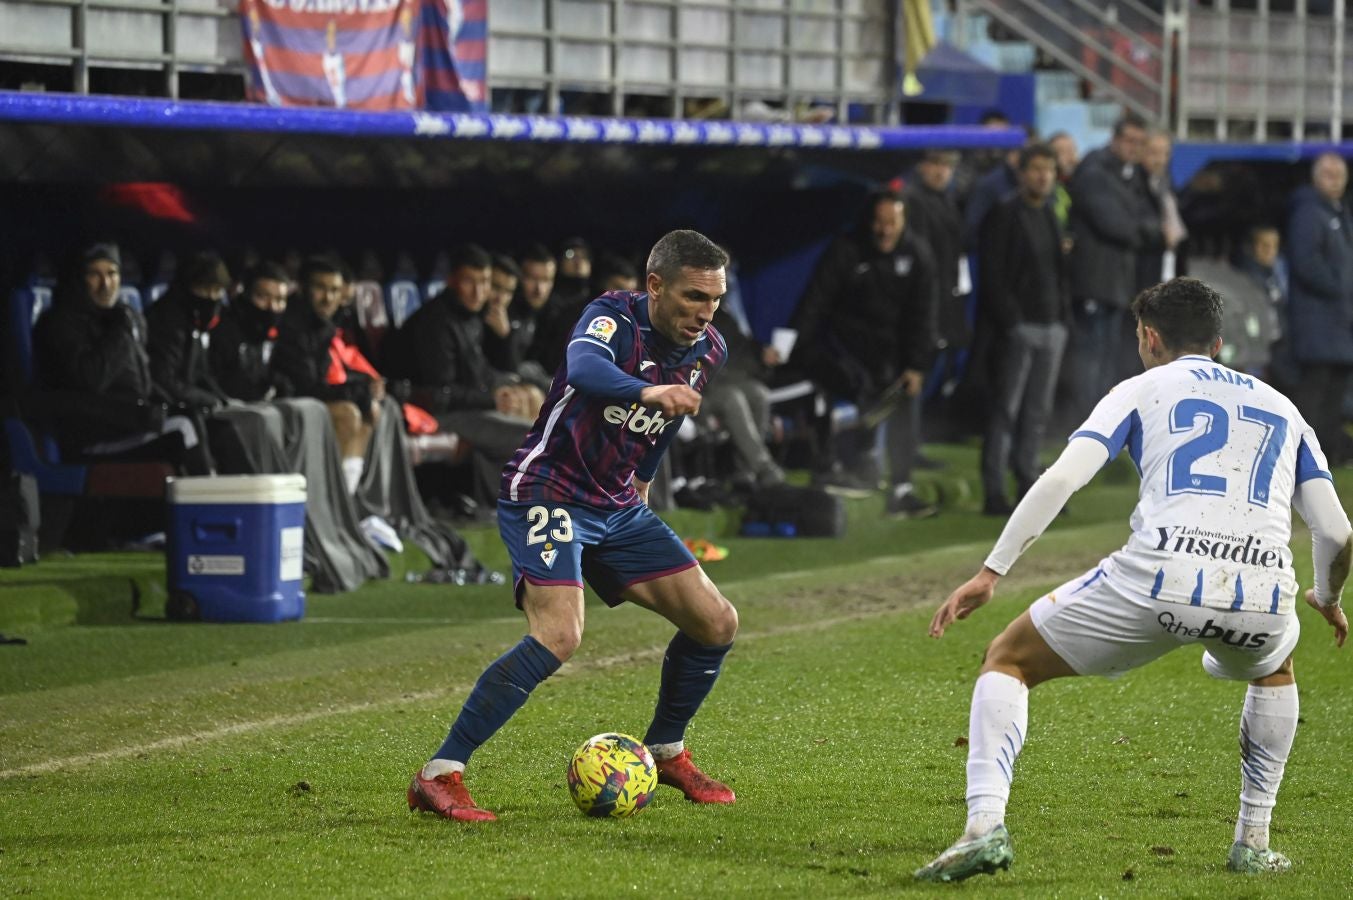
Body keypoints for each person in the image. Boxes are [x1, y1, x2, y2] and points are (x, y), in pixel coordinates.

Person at [916, 277, 1351, 882]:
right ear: (1218, 344)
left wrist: (992, 571)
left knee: (1008, 658)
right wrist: (1326, 598)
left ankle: (983, 827)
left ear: (1148, 337)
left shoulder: (1140, 389)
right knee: (1275, 668)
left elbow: (1062, 479)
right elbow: (1336, 532)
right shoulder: (1286, 409)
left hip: (1159, 575)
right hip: (1262, 590)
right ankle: (1253, 842)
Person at [407, 230, 739, 821]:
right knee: (559, 634)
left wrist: (643, 479)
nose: (705, 312)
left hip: (618, 504)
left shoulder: (708, 349)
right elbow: (585, 370)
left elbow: (665, 423)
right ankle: (439, 774)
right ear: (655, 285)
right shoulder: (612, 317)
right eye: (693, 296)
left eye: (714, 299)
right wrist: (649, 391)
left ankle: (666, 750)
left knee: (716, 622)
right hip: (548, 490)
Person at [790, 188, 940, 516]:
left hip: (894, 354)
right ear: (869, 221)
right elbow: (816, 300)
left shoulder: (917, 255)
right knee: (851, 393)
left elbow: (923, 315)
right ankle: (845, 470)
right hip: (847, 349)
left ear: (904, 222)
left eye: (892, 223)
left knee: (903, 406)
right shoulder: (846, 250)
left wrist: (917, 364)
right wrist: (794, 344)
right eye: (879, 222)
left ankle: (901, 490)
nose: (885, 231)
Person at [977, 144, 1070, 515]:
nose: (1043, 176)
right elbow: (992, 274)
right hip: (1020, 327)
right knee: (1006, 409)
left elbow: (1057, 271)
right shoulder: (1004, 213)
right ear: (1022, 173)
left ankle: (1029, 484)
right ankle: (994, 490)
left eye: (1049, 170)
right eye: (1037, 169)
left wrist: (1062, 318)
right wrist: (1011, 320)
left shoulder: (1049, 212)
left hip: (1051, 325)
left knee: (1037, 413)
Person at [1067, 113, 1159, 417]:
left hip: (1117, 283)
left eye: (1140, 143)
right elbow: (1115, 225)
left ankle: (1101, 419)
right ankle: (1082, 419)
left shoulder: (1131, 175)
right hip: (1093, 280)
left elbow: (1150, 218)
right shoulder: (1094, 170)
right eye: (1129, 140)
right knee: (1089, 355)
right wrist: (1144, 232)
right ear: (1115, 139)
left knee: (1107, 355)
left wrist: (1142, 228)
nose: (1134, 148)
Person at [1285, 152, 1353, 466]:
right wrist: (1342, 289)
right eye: (1328, 174)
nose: (1334, 180)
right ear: (1315, 178)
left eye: (1339, 174)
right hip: (1317, 321)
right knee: (1315, 389)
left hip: (1337, 322)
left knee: (1334, 390)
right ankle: (1303, 456)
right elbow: (1306, 263)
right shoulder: (1309, 212)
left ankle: (1326, 454)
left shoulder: (1337, 212)